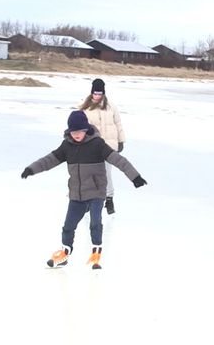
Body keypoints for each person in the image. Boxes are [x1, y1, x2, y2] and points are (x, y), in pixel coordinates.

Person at [21, 111, 146, 269]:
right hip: (77, 194)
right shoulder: (67, 146)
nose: (77, 135)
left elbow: (118, 160)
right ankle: (65, 254)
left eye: (80, 131)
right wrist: (31, 169)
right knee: (68, 226)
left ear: (86, 129)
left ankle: (96, 253)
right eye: (73, 132)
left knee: (95, 222)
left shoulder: (97, 144)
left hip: (96, 192)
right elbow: (49, 160)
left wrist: (135, 177)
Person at [79, 78, 126, 214]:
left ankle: (109, 199)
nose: (97, 96)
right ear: (91, 93)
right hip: (91, 146)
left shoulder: (111, 106)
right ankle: (88, 201)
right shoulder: (85, 107)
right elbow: (79, 127)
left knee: (106, 173)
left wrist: (121, 140)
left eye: (100, 94)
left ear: (103, 93)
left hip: (108, 146)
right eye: (95, 93)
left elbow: (118, 123)